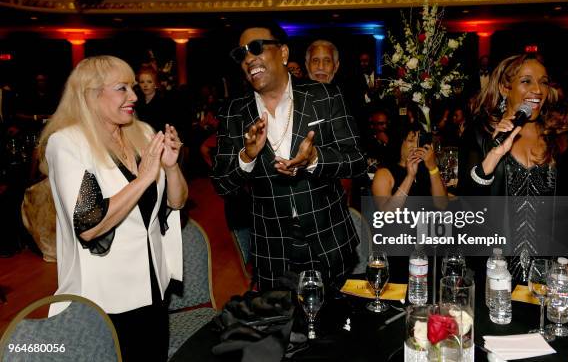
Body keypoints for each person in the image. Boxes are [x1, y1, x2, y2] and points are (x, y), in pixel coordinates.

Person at [38, 56, 187, 361]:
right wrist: (144, 177)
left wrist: (171, 169)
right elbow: (90, 224)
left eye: (133, 88)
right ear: (90, 94)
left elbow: (177, 202)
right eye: (122, 88)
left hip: (153, 285)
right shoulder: (67, 143)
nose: (133, 97)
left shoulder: (142, 133)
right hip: (106, 296)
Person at [213, 21, 366, 290]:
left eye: (257, 48)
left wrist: (316, 158)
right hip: (272, 251)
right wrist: (246, 158)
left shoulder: (323, 96)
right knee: (281, 328)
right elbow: (221, 183)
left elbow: (356, 160)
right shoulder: (233, 112)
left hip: (329, 241)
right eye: (242, 54)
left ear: (283, 53)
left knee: (336, 327)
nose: (249, 58)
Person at [458, 53, 568, 290]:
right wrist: (495, 152)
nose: (537, 89)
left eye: (543, 82)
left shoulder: (560, 138)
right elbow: (467, 201)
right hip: (495, 275)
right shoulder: (480, 134)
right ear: (506, 88)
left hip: (550, 278)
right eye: (526, 81)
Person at [135, 67, 166, 132]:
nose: (145, 85)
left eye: (149, 82)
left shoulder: (163, 101)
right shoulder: (136, 100)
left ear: (155, 84)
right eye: (142, 82)